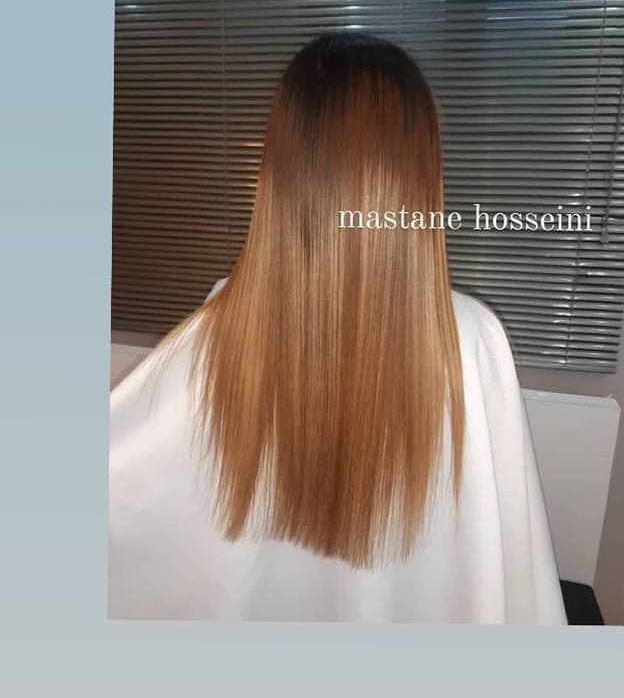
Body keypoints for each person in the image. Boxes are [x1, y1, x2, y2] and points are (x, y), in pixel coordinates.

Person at [108, 33, 567, 624]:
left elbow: (120, 482)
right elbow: (516, 571)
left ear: (279, 169)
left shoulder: (219, 329)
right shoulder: (472, 340)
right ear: (419, 174)